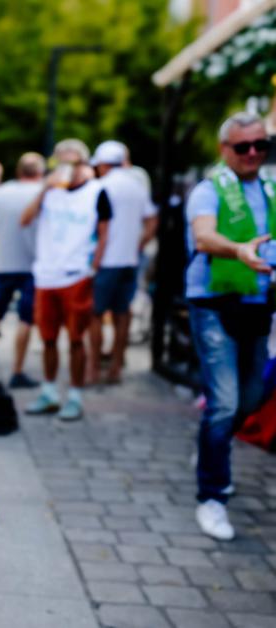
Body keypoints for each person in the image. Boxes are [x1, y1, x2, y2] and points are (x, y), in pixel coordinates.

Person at [184, 111, 273, 541]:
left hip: (258, 303)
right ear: (225, 149)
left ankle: (210, 446)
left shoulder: (270, 189)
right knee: (223, 403)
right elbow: (203, 237)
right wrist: (238, 250)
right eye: (243, 146)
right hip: (214, 304)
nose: (252, 153)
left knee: (250, 398)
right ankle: (212, 496)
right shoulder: (208, 190)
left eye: (261, 145)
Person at [20, 139, 111, 421]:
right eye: (60, 162)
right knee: (47, 338)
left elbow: (104, 234)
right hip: (46, 275)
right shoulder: (50, 191)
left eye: (72, 162)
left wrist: (92, 268)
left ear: (84, 164)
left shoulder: (97, 192)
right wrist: (45, 188)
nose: (66, 168)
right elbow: (25, 219)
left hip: (76, 276)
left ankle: (74, 395)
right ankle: (49, 392)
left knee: (75, 339)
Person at [87, 140, 157, 385]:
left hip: (105, 261)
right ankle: (116, 366)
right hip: (129, 259)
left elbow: (96, 227)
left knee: (96, 314)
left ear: (104, 164)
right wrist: (138, 244)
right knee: (122, 313)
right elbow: (152, 221)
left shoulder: (101, 186)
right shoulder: (137, 187)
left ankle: (94, 367)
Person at [0, 152, 45, 387]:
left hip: (3, 265)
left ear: (18, 170)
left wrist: (1, 237)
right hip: (33, 267)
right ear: (40, 172)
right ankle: (17, 371)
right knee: (25, 320)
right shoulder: (45, 193)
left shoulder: (0, 193)